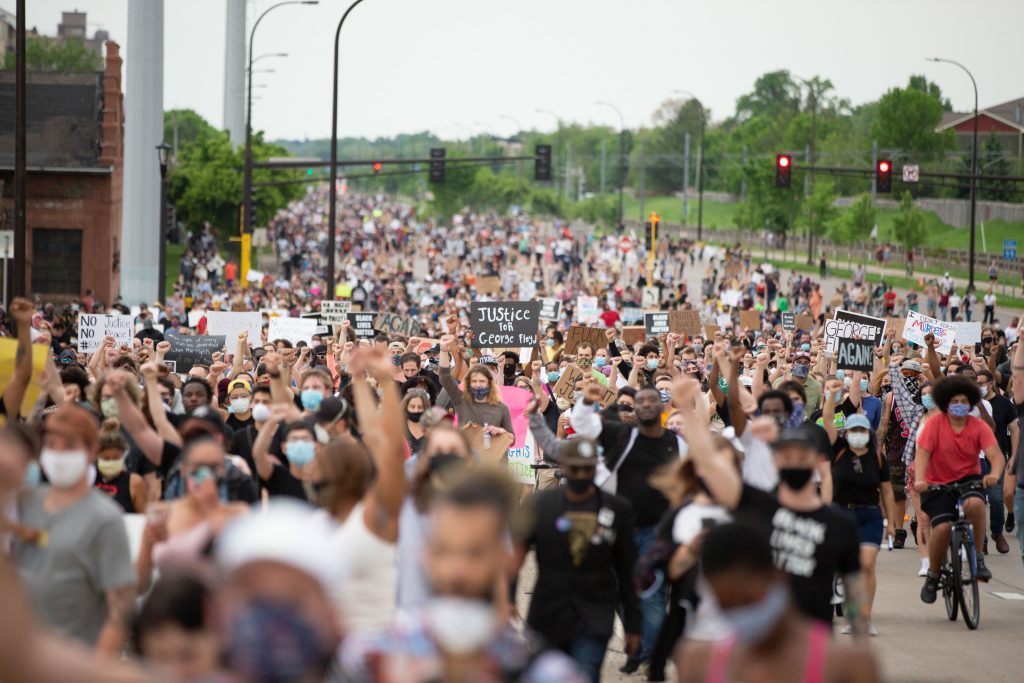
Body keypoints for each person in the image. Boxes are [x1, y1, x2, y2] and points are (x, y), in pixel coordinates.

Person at [673, 376, 866, 633]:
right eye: (786, 456)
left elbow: (854, 594)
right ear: (776, 460)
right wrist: (687, 408)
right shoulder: (760, 506)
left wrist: (860, 640)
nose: (794, 462)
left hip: (812, 638)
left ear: (817, 464)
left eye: (802, 456)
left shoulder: (839, 525)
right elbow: (707, 461)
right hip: (760, 639)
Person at [356, 472, 586, 682]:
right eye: (444, 551)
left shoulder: (547, 673)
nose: (458, 571)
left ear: (507, 558)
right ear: (425, 555)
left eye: (475, 553)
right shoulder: (372, 661)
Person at [570, 375, 686, 674]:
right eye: (640, 401)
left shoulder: (677, 444)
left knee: (651, 594)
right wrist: (587, 400)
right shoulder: (621, 434)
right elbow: (583, 424)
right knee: (620, 592)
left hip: (655, 531)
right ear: (635, 408)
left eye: (651, 400)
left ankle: (651, 656)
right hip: (616, 530)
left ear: (661, 406)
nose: (646, 404)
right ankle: (638, 645)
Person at [675, 523, 879, 683]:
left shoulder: (847, 665)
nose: (740, 613)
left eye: (747, 600)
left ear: (778, 577)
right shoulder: (697, 661)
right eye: (726, 606)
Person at [11, 404, 136, 654]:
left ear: (91, 451)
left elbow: (120, 610)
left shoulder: (105, 519)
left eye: (69, 446)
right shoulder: (25, 503)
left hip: (72, 660)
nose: (58, 455)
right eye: (51, 445)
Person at [513, 438, 641, 681]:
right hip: (548, 615)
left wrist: (633, 626)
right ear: (564, 466)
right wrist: (509, 598)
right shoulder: (540, 505)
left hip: (595, 615)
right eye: (575, 468)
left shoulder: (617, 510)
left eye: (588, 468)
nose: (581, 475)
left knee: (585, 675)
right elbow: (516, 556)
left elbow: (627, 572)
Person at [916, 375, 1004, 602]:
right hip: (936, 483)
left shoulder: (978, 426)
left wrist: (994, 473)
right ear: (945, 402)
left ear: (971, 403)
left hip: (969, 480)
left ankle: (978, 557)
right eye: (955, 401)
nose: (960, 405)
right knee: (943, 528)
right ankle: (934, 574)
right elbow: (923, 454)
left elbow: (995, 455)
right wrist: (920, 479)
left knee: (975, 505)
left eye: (965, 401)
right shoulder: (935, 423)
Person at [135, 438, 249, 593]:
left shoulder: (237, 514)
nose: (206, 474)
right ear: (184, 470)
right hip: (170, 607)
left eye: (214, 467)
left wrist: (211, 513)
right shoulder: (162, 513)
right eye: (199, 467)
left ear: (223, 471)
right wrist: (148, 545)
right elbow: (139, 586)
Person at [822, 403, 896, 636]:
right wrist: (832, 395)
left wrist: (891, 523)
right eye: (853, 431)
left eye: (862, 431)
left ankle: (864, 617)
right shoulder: (839, 452)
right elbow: (828, 421)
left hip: (870, 515)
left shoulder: (878, 458)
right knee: (845, 568)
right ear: (846, 434)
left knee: (866, 565)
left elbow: (886, 492)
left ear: (868, 434)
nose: (857, 435)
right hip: (842, 514)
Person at [93, 418, 147, 514]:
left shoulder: (134, 482)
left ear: (122, 456)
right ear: (96, 456)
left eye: (115, 458)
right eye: (106, 459)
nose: (111, 462)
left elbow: (142, 518)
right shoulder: (88, 479)